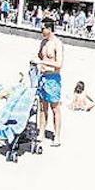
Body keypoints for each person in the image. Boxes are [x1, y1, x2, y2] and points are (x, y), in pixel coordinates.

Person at [34, 18, 64, 146]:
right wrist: (36, 61)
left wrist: (42, 62)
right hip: (43, 77)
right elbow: (39, 56)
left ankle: (57, 136)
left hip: (53, 78)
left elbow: (59, 64)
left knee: (55, 108)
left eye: (43, 29)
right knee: (42, 107)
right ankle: (41, 132)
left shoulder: (57, 44)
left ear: (49, 29)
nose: (41, 31)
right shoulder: (43, 42)